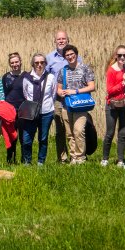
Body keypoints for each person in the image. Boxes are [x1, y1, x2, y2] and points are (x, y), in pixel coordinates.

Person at [46, 30, 82, 163]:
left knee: (76, 129)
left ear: (68, 40)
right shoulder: (49, 58)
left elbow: (82, 76)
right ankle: (62, 157)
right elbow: (47, 79)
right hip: (58, 99)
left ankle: (78, 155)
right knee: (60, 129)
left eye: (63, 39)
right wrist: (56, 91)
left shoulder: (75, 57)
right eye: (58, 39)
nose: (61, 41)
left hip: (74, 98)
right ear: (55, 41)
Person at [57, 45, 95, 165]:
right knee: (69, 133)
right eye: (67, 55)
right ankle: (73, 157)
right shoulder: (63, 71)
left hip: (80, 105)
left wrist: (75, 91)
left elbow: (92, 86)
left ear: (76, 54)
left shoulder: (85, 68)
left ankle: (81, 157)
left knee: (78, 131)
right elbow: (58, 88)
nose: (70, 57)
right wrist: (60, 92)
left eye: (72, 54)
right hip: (66, 105)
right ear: (64, 57)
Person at [21, 53, 56, 165]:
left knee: (43, 139)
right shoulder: (27, 78)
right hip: (31, 113)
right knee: (27, 139)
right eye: (37, 63)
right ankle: (27, 161)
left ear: (45, 63)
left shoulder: (50, 77)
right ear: (33, 64)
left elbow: (53, 94)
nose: (39, 65)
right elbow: (25, 94)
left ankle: (41, 162)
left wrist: (48, 106)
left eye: (42, 62)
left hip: (46, 112)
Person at [101, 45, 125, 169]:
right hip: (112, 105)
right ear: (115, 56)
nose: (122, 57)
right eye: (120, 55)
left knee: (122, 134)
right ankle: (105, 159)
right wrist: (123, 83)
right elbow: (110, 90)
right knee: (110, 133)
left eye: (124, 55)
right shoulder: (111, 70)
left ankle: (120, 160)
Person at [2, 52, 26, 163]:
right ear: (9, 64)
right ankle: (10, 159)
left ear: (20, 62)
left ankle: (24, 159)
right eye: (12, 62)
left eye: (16, 62)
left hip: (23, 110)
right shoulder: (6, 77)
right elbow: (3, 94)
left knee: (23, 136)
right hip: (9, 111)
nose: (15, 64)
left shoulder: (27, 75)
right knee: (11, 136)